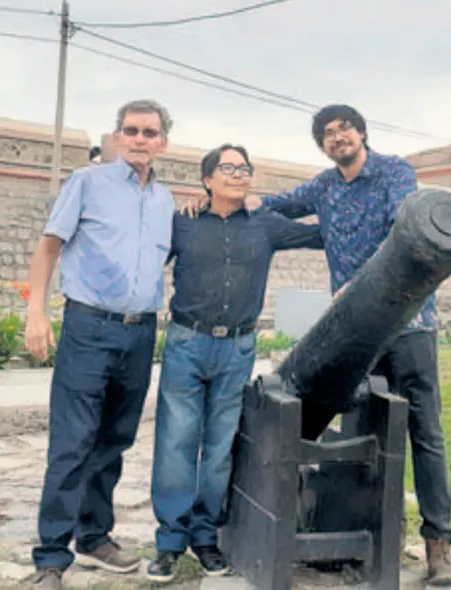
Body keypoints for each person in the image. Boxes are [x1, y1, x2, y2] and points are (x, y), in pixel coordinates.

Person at [182, 104, 451, 586]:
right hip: (358, 333)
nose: (338, 138)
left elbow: (403, 225)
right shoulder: (325, 187)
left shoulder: (394, 172)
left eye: (345, 128)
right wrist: (217, 200)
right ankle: (345, 523)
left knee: (426, 435)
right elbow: (276, 204)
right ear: (322, 145)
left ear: (362, 133)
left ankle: (440, 547)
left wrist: (363, 282)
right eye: (328, 134)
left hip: (411, 323)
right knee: (349, 426)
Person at [147, 144, 325, 583]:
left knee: (221, 446)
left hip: (238, 348)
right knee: (176, 443)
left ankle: (206, 537)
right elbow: (143, 259)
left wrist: (343, 202)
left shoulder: (265, 225)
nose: (238, 174)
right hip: (187, 342)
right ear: (207, 179)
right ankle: (170, 541)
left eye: (244, 168)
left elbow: (320, 235)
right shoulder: (181, 223)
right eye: (227, 168)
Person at [24, 99, 176, 590]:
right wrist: (36, 313)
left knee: (114, 438)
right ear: (116, 137)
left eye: (149, 132)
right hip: (88, 327)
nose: (139, 139)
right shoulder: (86, 183)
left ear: (163, 143)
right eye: (130, 130)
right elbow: (50, 246)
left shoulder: (165, 200)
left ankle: (94, 535)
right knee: (72, 441)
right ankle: (51, 557)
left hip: (139, 332)